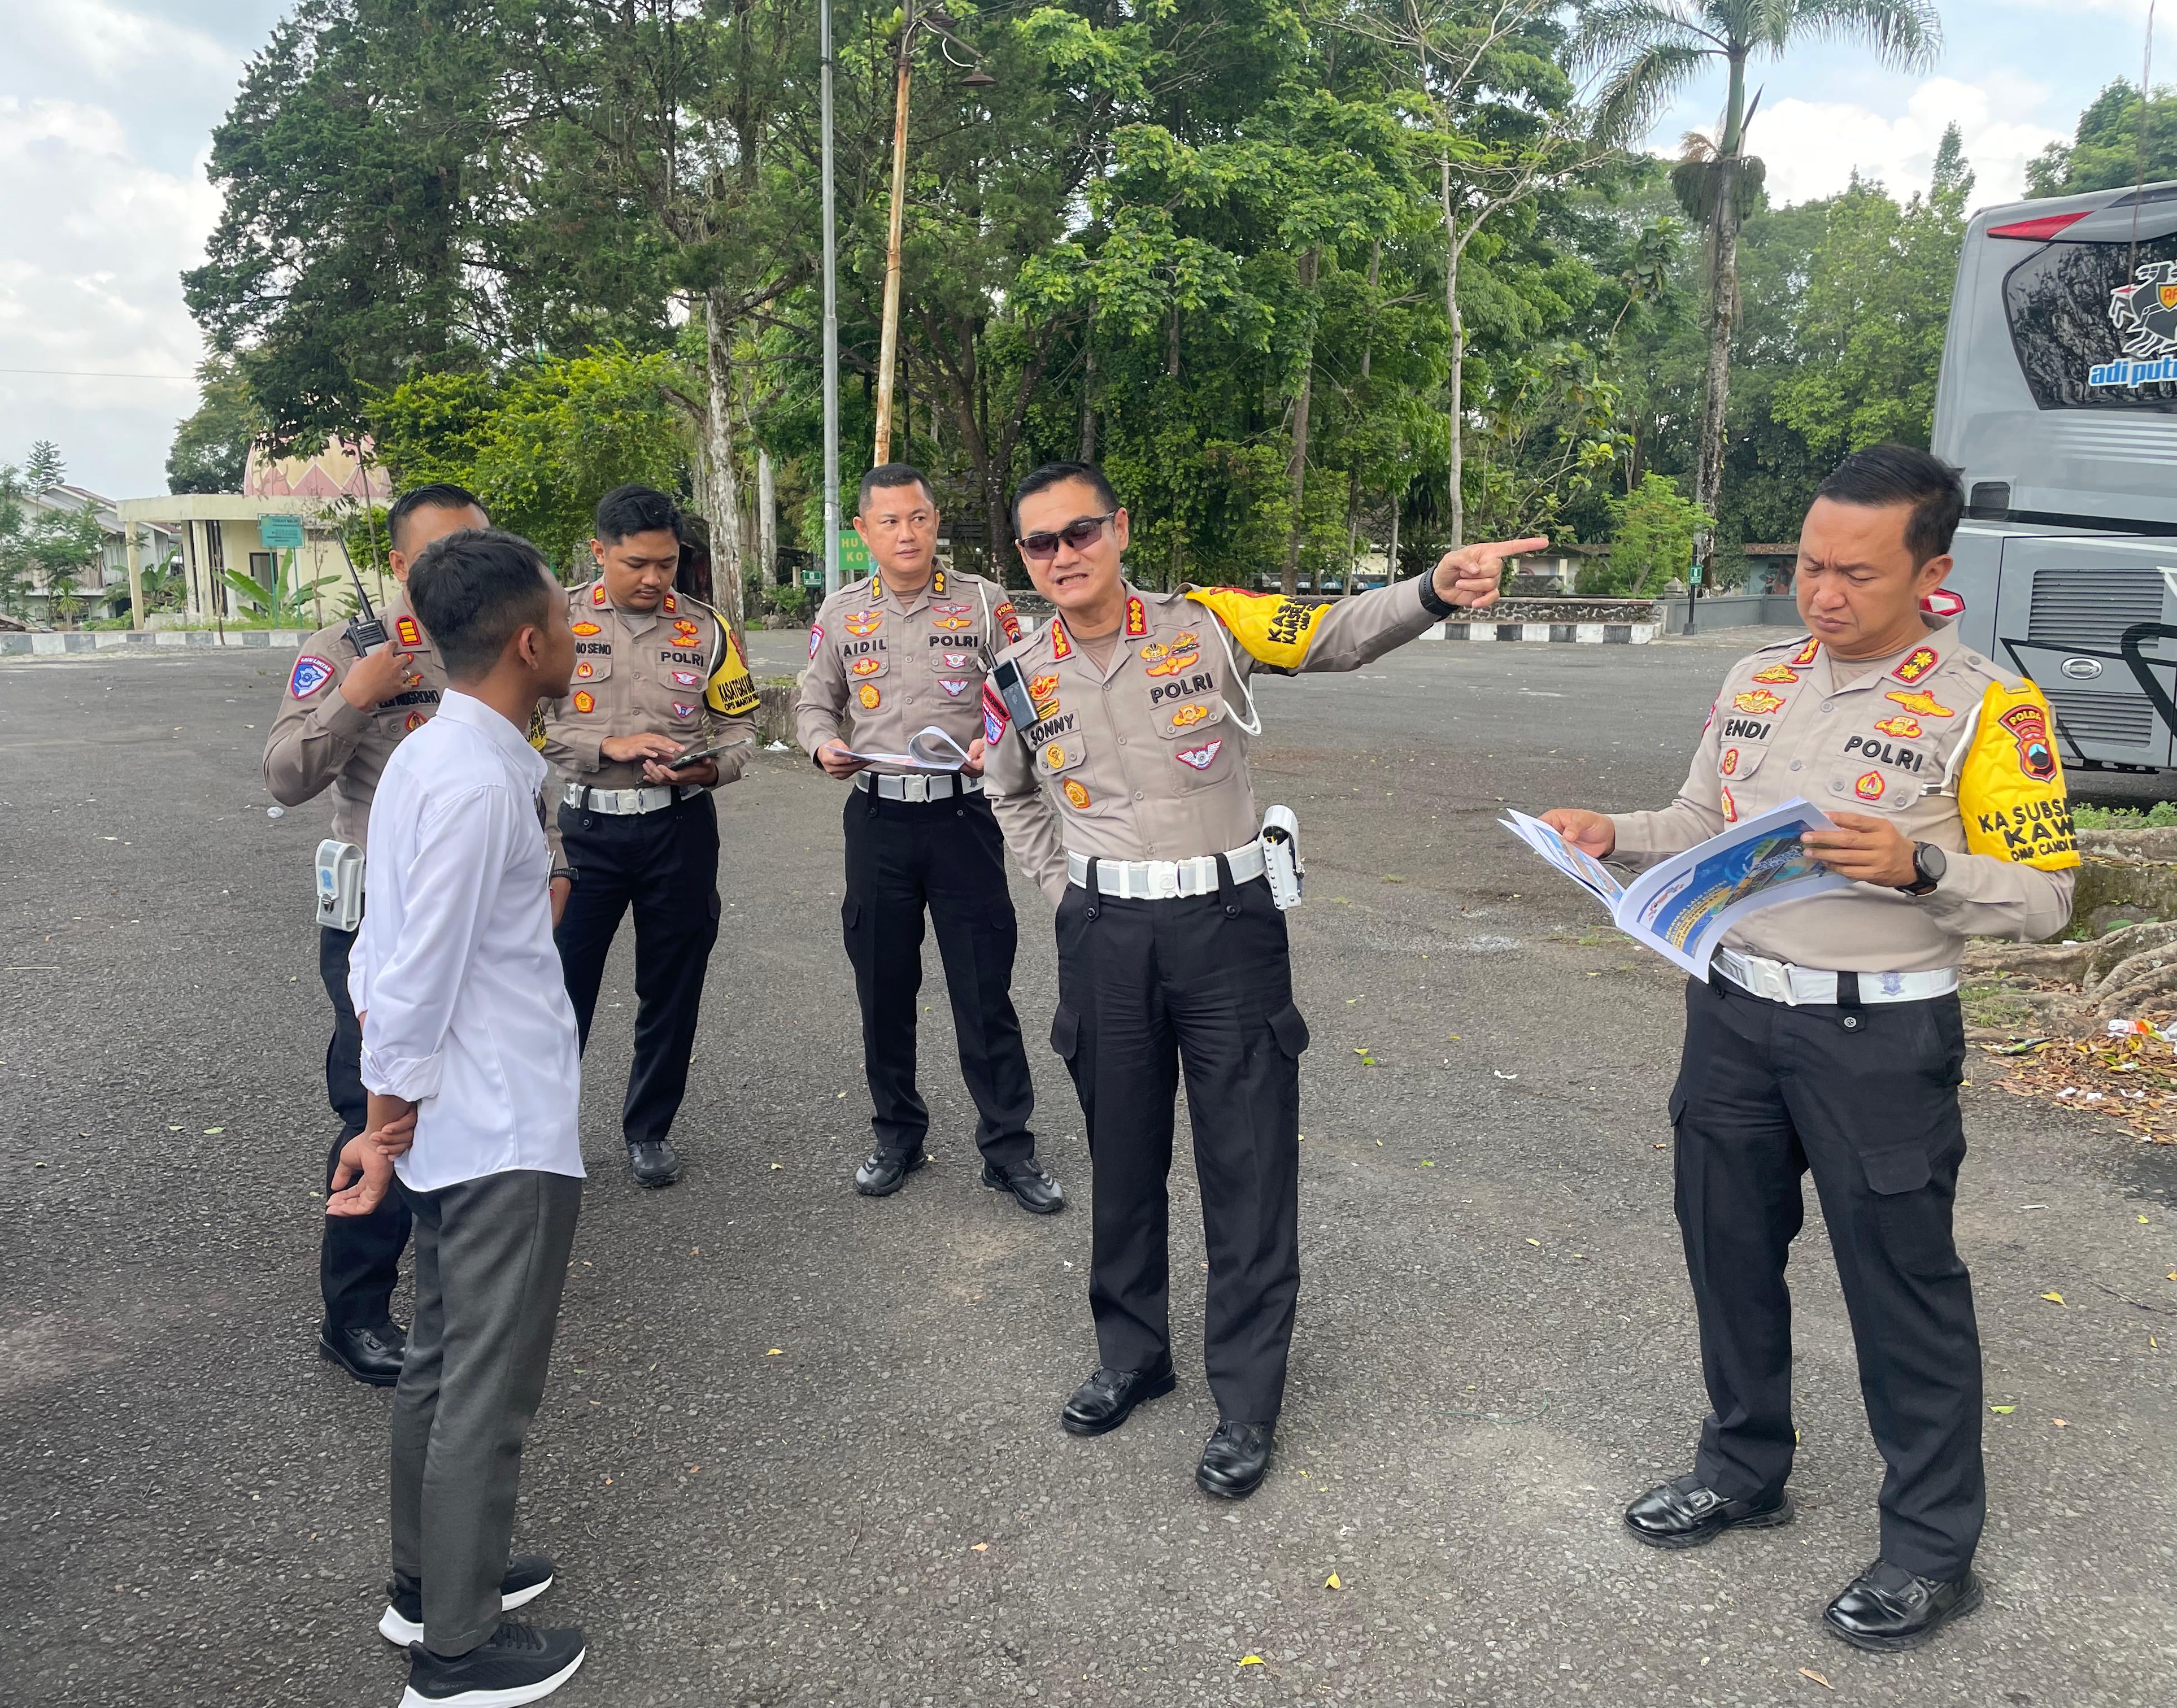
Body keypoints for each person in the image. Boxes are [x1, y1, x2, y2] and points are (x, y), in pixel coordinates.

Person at [1539, 445, 2076, 1653]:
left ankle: (1933, 1550)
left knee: (1903, 1288)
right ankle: (1743, 1468)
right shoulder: (1760, 676)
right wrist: (1609, 830)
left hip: (1876, 1033)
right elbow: (1699, 820)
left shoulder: (1990, 706)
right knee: (1727, 1250)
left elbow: (2049, 899)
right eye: (1810, 568)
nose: (1823, 597)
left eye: (1855, 575)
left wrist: (1921, 864)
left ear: (1933, 573)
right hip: (1732, 1012)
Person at [983, 459, 1535, 1499]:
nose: (1064, 555)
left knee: (1246, 1160)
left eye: (1081, 532)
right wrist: (1064, 887)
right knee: (1123, 1148)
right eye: (1041, 543)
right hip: (1105, 931)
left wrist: (1428, 587)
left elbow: (1330, 632)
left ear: (1120, 528)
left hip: (1223, 926)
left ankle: (1245, 1398)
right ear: (1024, 559)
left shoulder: (1209, 624)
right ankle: (1133, 1354)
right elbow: (1008, 791)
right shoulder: (1017, 669)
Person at [328, 528, 589, 1706]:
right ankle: (459, 1653)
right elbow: (417, 977)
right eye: (568, 620)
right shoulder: (479, 779)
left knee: (440, 1362)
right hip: (494, 1128)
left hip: (459, 1121)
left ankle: (430, 1583)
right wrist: (384, 1133)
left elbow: (385, 954)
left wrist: (391, 1125)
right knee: (486, 1381)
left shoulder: (442, 756)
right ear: (529, 644)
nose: (579, 635)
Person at [264, 482, 573, 1387]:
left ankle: (456, 1275)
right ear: (401, 567)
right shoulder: (347, 654)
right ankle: (358, 1310)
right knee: (380, 1105)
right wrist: (356, 701)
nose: (464, 566)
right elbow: (285, 777)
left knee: (456, 1109)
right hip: (378, 918)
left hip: (486, 913)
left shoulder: (487, 644)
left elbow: (523, 778)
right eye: (442, 550)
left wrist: (551, 874)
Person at [795, 463, 1063, 1211]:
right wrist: (822, 746)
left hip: (962, 817)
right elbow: (814, 705)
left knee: (984, 987)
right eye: (889, 522)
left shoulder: (983, 601)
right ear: (864, 533)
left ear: (935, 521)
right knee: (883, 985)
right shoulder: (844, 612)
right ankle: (897, 1136)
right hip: (878, 817)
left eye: (918, 518)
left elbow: (1028, 692)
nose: (906, 533)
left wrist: (998, 742)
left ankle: (1008, 1149)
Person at [540, 485, 760, 1188]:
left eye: (666, 563)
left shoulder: (707, 629)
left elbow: (741, 729)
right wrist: (612, 744)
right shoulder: (553, 621)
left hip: (680, 830)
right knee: (557, 989)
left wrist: (706, 769)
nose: (654, 579)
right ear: (599, 551)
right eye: (636, 563)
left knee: (672, 986)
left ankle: (649, 1130)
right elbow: (529, 724)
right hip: (582, 833)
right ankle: (543, 1136)